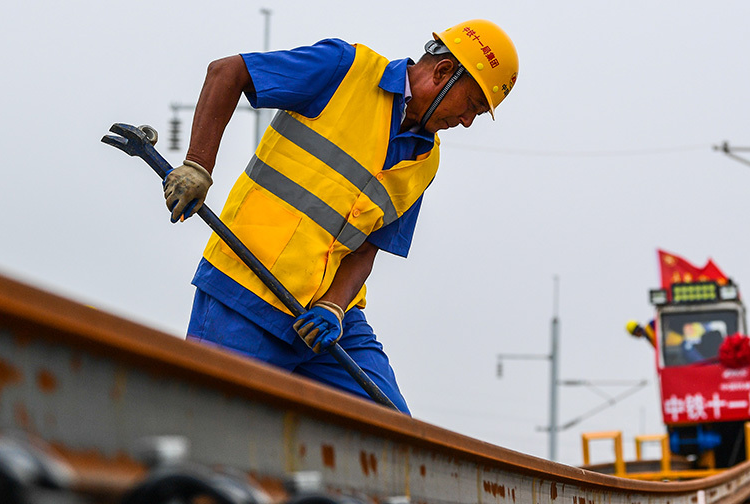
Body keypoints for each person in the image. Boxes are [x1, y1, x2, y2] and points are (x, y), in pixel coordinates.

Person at [161, 20, 519, 416]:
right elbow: (228, 72)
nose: (467, 121)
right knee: (212, 421)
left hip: (329, 323)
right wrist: (198, 165)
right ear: (443, 71)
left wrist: (333, 306)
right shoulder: (345, 69)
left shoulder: (426, 160)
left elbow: (368, 247)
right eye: (472, 105)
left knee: (393, 429)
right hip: (247, 295)